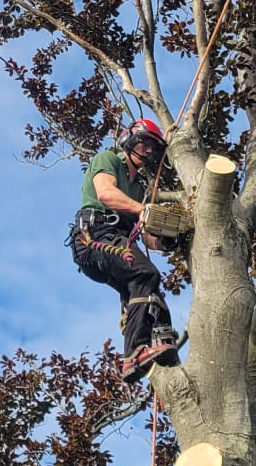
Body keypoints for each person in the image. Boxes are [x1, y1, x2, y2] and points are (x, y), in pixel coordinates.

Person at [69, 119, 182, 382]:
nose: (149, 152)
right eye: (145, 145)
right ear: (130, 139)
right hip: (95, 235)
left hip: (118, 240)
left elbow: (147, 237)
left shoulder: (139, 187)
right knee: (144, 275)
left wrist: (170, 240)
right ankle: (134, 354)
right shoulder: (108, 159)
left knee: (152, 294)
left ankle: (164, 365)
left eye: (153, 149)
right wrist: (143, 210)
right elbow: (106, 194)